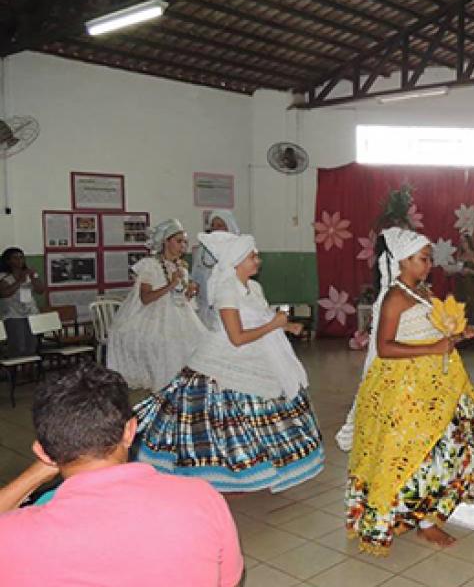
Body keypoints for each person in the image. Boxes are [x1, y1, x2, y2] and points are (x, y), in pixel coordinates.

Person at [0, 364, 243, 587]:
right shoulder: (201, 498)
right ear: (130, 431)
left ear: (42, 451)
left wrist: (36, 472)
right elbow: (228, 580)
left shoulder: (13, 536)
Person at [346, 227, 474, 555]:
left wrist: (458, 337)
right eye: (423, 259)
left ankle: (427, 511)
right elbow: (385, 348)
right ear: (403, 260)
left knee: (466, 442)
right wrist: (434, 347)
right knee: (420, 452)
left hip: (437, 381)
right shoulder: (394, 297)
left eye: (429, 259)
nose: (430, 264)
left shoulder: (422, 291)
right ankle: (425, 522)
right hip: (405, 386)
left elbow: (434, 334)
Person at [134, 231, 324, 492]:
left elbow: (258, 318)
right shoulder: (226, 290)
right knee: (221, 421)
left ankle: (260, 465)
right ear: (236, 262)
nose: (258, 261)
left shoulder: (253, 287)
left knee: (260, 413)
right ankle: (222, 470)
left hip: (255, 355)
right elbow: (237, 337)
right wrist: (274, 324)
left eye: (256, 255)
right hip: (222, 361)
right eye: (252, 256)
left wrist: (286, 325)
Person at [107, 219, 206, 392]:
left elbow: (181, 297)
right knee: (163, 345)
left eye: (185, 242)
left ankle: (186, 387)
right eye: (178, 241)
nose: (183, 246)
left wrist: (190, 292)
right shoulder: (150, 265)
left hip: (179, 314)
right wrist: (171, 284)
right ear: (166, 242)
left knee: (197, 340)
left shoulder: (181, 267)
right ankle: (164, 386)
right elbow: (145, 298)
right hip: (153, 314)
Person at [193, 210, 241, 329]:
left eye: (219, 225)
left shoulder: (239, 248)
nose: (215, 229)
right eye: (213, 226)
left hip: (229, 303)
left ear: (229, 227)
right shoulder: (202, 249)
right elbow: (196, 276)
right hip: (204, 305)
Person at [0, 247, 45, 355]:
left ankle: (28, 371)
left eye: (21, 257)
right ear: (8, 261)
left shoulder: (29, 273)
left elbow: (40, 290)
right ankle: (16, 370)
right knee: (19, 347)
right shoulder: (3, 276)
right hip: (13, 315)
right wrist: (20, 280)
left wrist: (33, 277)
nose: (19, 260)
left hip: (31, 313)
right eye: (15, 258)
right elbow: (4, 293)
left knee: (32, 346)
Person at [453, 232, 474, 326]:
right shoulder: (460, 256)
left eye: (465, 242)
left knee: (472, 311)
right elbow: (457, 269)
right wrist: (452, 270)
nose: (463, 244)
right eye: (461, 242)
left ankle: (472, 337)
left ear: (470, 242)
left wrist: (469, 271)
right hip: (461, 287)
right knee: (460, 311)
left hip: (472, 288)